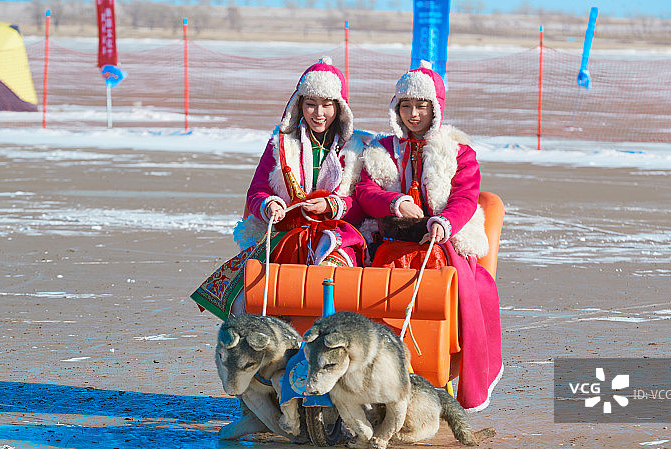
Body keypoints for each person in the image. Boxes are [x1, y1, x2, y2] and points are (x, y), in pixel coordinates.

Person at [354, 61, 503, 412]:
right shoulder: (380, 150)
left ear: (435, 108)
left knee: (469, 292)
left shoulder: (459, 152)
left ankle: (440, 366)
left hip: (442, 239)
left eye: (421, 106)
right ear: (396, 108)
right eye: (406, 105)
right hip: (390, 239)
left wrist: (444, 222)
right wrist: (395, 200)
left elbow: (466, 198)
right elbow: (365, 190)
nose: (413, 114)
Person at [191, 57, 370, 320]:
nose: (318, 113)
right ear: (299, 106)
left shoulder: (357, 147)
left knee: (332, 282)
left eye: (326, 105)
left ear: (339, 107)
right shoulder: (280, 143)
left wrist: (332, 206)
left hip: (338, 236)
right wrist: (270, 205)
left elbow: (362, 201)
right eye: (310, 104)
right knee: (252, 293)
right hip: (288, 233)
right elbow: (256, 192)